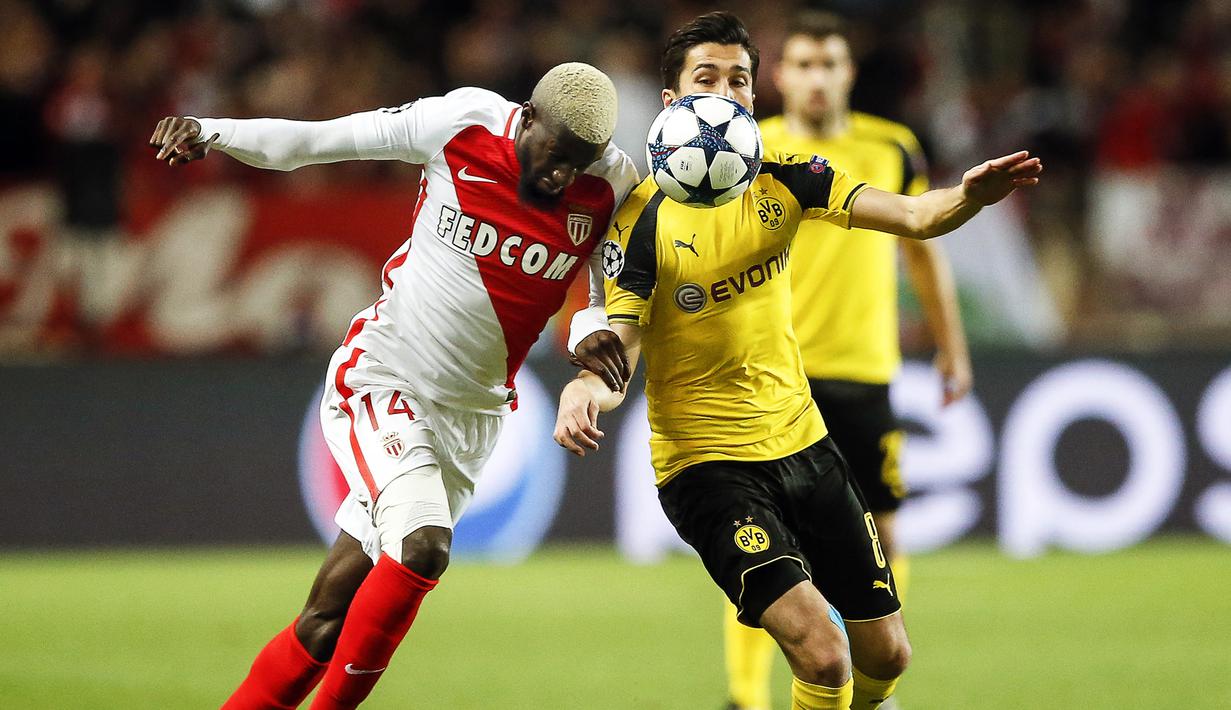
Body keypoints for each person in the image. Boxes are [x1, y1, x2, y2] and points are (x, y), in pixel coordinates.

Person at [559, 12, 1039, 710]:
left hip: (805, 445)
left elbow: (913, 217)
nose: (725, 93)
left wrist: (966, 197)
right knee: (821, 650)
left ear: (755, 96)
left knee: (888, 653)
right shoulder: (638, 221)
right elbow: (621, 345)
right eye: (706, 79)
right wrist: (583, 390)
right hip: (707, 467)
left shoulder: (790, 180)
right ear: (671, 103)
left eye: (739, 80)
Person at [150, 62, 637, 709]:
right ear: (527, 115)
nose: (560, 176)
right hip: (385, 376)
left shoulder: (613, 184)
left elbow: (597, 302)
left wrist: (586, 337)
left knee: (324, 622)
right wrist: (211, 131)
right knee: (424, 546)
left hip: (472, 416)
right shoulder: (461, 124)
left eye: (578, 163)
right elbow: (315, 142)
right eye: (554, 155)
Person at [719, 12, 973, 710]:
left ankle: (872, 685)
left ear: (848, 74)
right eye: (802, 64)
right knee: (767, 554)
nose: (816, 78)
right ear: (780, 75)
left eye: (829, 64)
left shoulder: (890, 147)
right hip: (773, 375)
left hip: (864, 371)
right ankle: (746, 698)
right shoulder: (744, 149)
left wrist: (951, 345)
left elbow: (921, 247)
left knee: (881, 534)